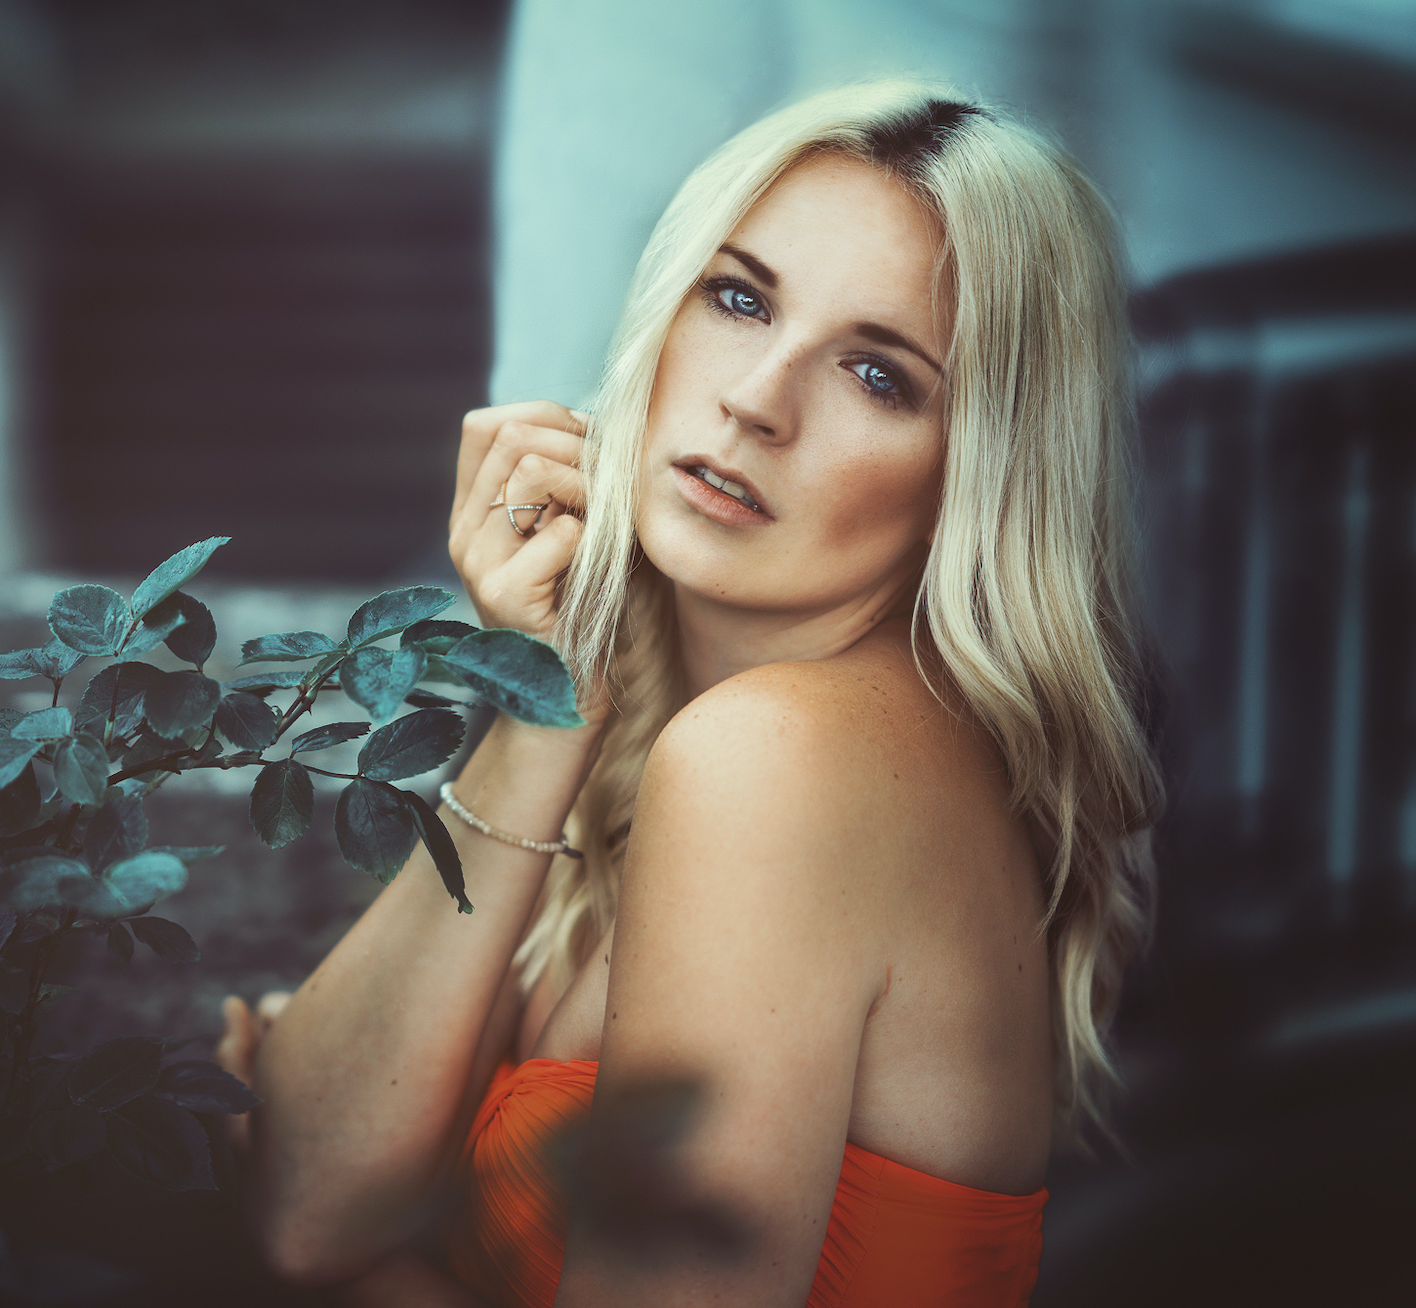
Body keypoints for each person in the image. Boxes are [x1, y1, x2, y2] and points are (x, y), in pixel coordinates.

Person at [216, 79, 1162, 1307]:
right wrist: (550, 693)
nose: (755, 398)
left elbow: (311, 1243)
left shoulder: (776, 761)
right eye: (739, 298)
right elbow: (307, 1204)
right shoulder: (687, 724)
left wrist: (379, 1282)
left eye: (876, 375)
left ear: (969, 478)